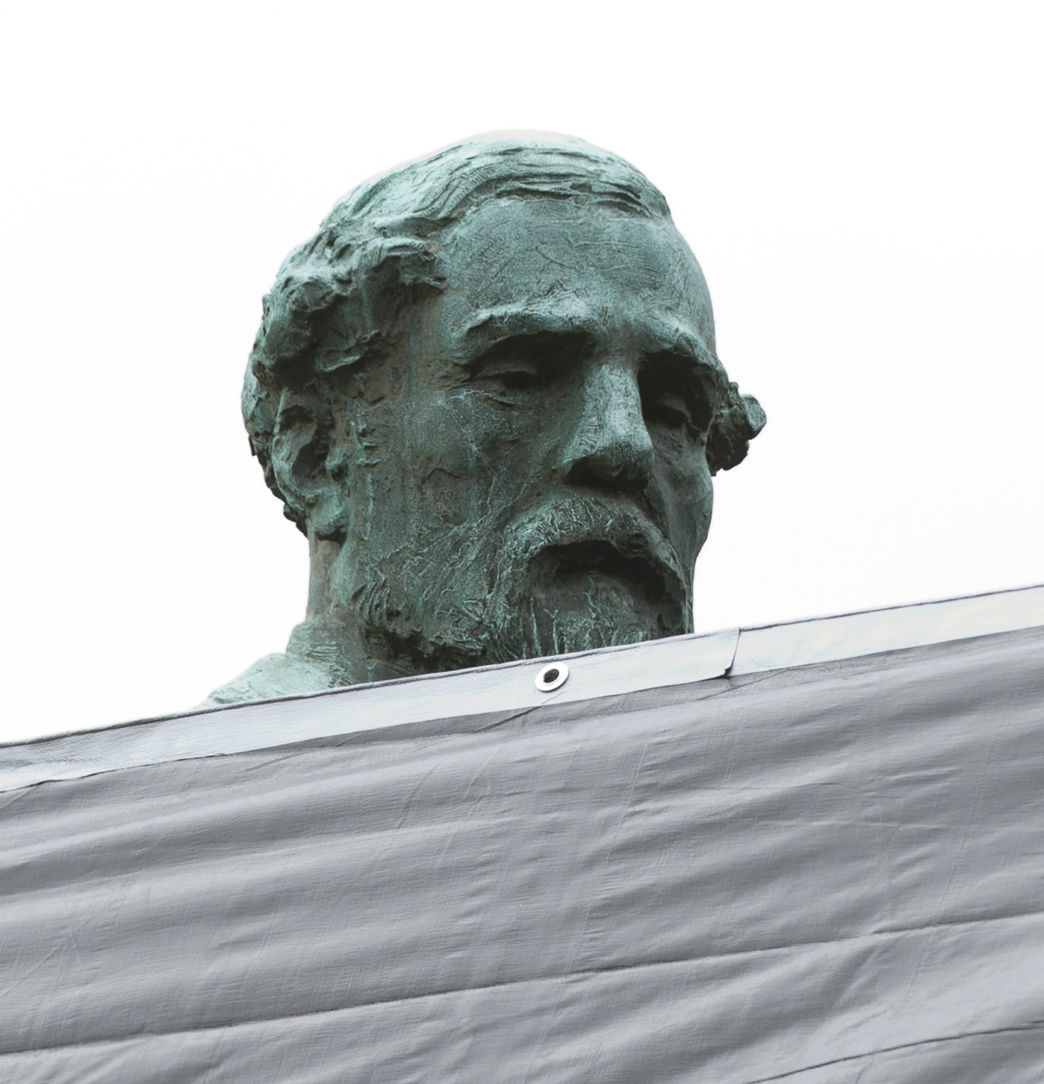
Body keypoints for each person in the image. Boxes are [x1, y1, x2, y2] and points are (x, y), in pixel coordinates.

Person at [209, 134, 763, 704]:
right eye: (519, 380)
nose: (623, 443)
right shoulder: (206, 782)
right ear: (315, 453)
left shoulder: (775, 773)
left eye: (673, 412)